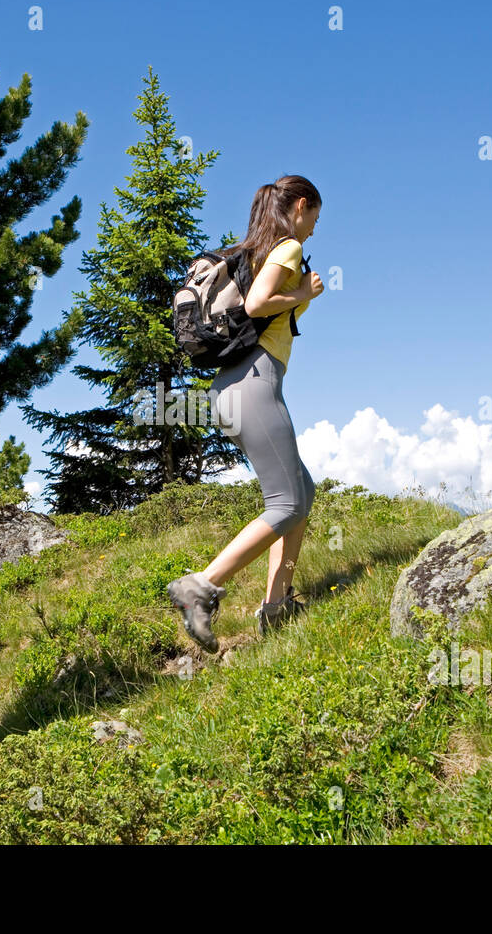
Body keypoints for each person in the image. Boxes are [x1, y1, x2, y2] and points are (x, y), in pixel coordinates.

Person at [167, 175, 324, 652]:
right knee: (286, 503)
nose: (314, 229)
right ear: (300, 206)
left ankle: (277, 606)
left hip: (230, 389)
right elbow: (258, 305)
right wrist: (305, 294)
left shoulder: (251, 253)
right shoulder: (286, 248)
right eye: (315, 217)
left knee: (302, 490)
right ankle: (200, 586)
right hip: (254, 385)